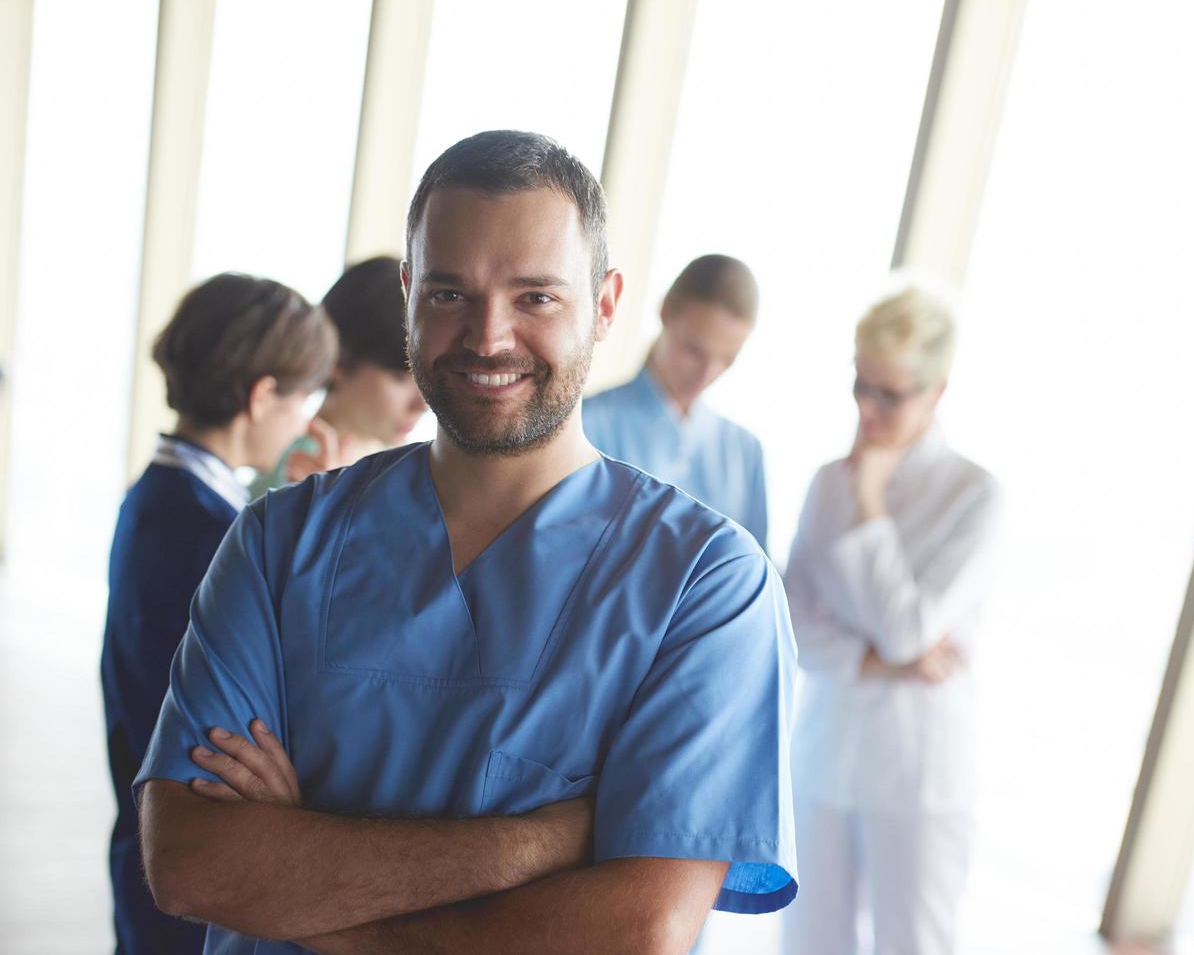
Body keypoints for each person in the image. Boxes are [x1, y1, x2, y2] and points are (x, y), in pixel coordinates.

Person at [134, 130, 798, 954]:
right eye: (450, 294)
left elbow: (636, 932)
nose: (488, 337)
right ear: (409, 292)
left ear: (602, 303)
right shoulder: (277, 543)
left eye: (535, 298)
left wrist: (312, 900)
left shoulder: (708, 587)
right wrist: (544, 843)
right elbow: (193, 862)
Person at [100, 274, 336, 954]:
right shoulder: (214, 536)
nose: (302, 424)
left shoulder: (154, 498)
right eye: (300, 401)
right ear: (262, 396)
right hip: (187, 856)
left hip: (141, 838)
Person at [780, 284, 1001, 955]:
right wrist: (880, 660)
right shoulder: (825, 483)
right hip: (824, 757)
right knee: (810, 945)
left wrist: (871, 502)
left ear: (936, 392)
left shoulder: (974, 495)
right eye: (860, 385)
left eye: (889, 394)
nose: (867, 408)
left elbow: (908, 626)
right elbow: (796, 629)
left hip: (916, 773)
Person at [583, 254, 768, 548]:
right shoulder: (587, 423)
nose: (707, 374)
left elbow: (757, 580)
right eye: (694, 351)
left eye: (726, 359)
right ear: (665, 312)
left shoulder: (745, 453)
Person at [251, 256, 427, 494]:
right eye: (400, 377)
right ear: (339, 363)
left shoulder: (404, 468)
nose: (422, 404)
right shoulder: (294, 471)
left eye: (424, 376)